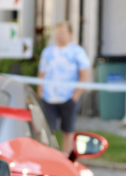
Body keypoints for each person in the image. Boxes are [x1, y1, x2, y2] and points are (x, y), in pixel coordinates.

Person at [37, 22, 90, 155]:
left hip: (68, 97)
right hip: (49, 97)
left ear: (70, 35)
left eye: (62, 33)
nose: (59, 36)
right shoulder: (47, 52)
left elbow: (84, 74)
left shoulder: (77, 52)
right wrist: (40, 92)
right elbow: (41, 73)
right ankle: (47, 156)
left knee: (68, 130)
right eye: (57, 33)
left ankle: (66, 159)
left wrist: (75, 96)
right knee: (47, 130)